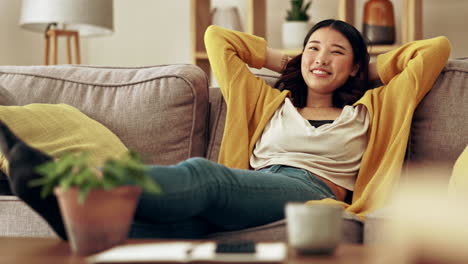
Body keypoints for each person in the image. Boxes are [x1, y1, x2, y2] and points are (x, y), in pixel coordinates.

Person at [0, 19, 450, 241]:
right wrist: (288, 61)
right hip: (258, 181)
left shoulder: (375, 108)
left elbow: (434, 50)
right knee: (187, 225)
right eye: (313, 47)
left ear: (354, 66)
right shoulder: (267, 101)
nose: (321, 58)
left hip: (314, 191)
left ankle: (73, 182)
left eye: (336, 52)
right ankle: (77, 221)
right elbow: (219, 39)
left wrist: (367, 71)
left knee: (202, 174)